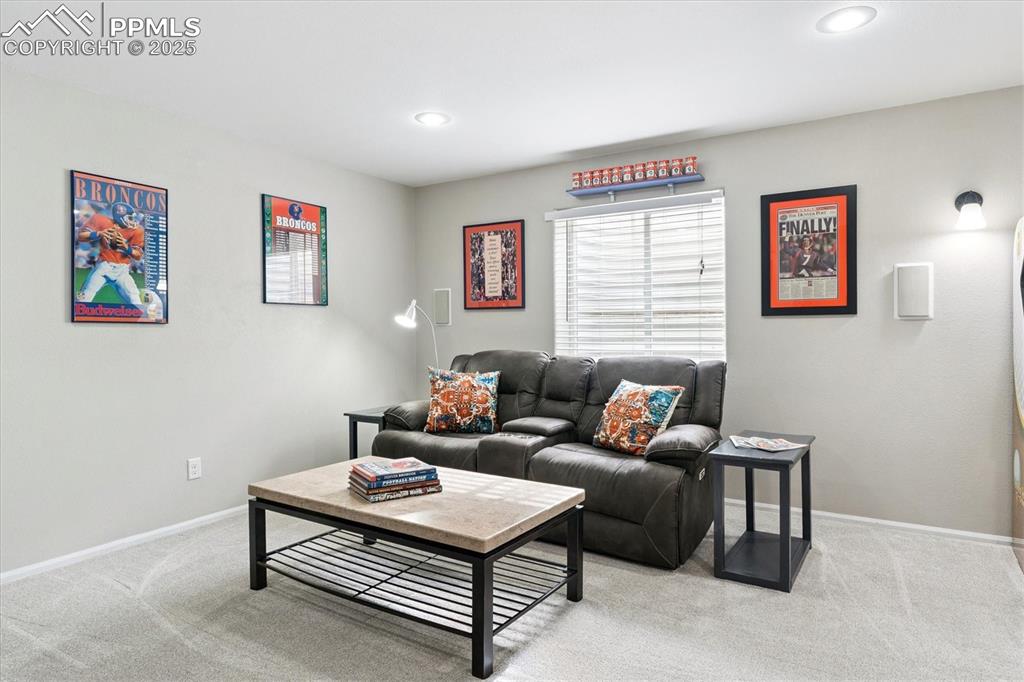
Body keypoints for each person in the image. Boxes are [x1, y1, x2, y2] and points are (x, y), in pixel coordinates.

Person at [76, 201, 145, 305]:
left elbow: (138, 256)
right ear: (120, 217)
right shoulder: (101, 220)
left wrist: (126, 248)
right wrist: (99, 234)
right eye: (129, 218)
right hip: (104, 268)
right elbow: (80, 236)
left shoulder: (137, 231)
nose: (133, 221)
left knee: (136, 301)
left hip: (122, 271)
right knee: (83, 299)